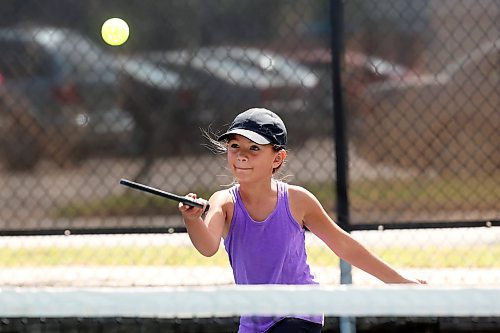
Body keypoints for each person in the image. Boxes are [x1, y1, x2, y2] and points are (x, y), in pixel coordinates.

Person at [178, 108, 425, 333]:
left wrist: (400, 281)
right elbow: (208, 246)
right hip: (253, 320)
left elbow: (343, 244)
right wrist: (192, 220)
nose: (241, 156)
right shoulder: (223, 201)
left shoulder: (297, 200)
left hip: (299, 310)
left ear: (277, 158)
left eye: (254, 148)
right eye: (234, 146)